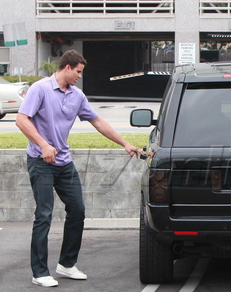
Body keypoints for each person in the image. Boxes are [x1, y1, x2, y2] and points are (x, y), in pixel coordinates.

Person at [16, 50, 143, 287]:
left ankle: (66, 264)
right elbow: (22, 119)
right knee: (43, 214)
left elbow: (98, 121)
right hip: (40, 161)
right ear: (66, 68)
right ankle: (39, 272)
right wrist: (43, 144)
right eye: (78, 72)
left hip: (64, 163)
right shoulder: (41, 89)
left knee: (78, 210)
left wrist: (125, 143)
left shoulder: (77, 95)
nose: (79, 77)